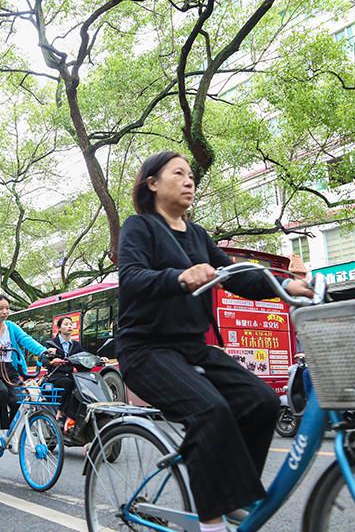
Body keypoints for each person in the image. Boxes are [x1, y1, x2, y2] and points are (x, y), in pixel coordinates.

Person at [117, 151, 314, 532]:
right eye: (179, 173)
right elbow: (133, 278)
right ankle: (211, 524)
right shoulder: (139, 227)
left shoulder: (198, 235)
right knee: (210, 411)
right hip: (145, 349)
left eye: (191, 175)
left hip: (191, 347)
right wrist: (179, 276)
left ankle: (234, 495)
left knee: (261, 402)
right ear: (152, 183)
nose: (189, 180)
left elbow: (236, 276)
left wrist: (287, 284)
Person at [0, 294, 56, 450]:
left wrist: (44, 351)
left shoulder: (11, 327)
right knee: (1, 392)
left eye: (7, 308)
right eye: (1, 308)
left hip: (8, 368)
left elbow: (27, 340)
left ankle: (7, 432)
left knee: (20, 399)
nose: (5, 311)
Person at [43, 316, 84, 421]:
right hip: (55, 376)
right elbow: (43, 361)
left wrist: (99, 359)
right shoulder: (52, 343)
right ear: (59, 328)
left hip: (70, 376)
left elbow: (84, 357)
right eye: (66, 324)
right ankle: (61, 412)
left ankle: (77, 416)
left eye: (71, 324)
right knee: (69, 383)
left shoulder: (76, 345)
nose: (69, 326)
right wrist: (52, 362)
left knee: (82, 385)